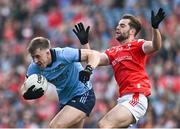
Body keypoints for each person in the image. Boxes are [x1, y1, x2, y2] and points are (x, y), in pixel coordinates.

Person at [73, 8, 166, 128]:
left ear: (132, 31)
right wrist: (85, 43)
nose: (117, 28)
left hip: (136, 96)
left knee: (104, 125)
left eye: (122, 26)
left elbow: (155, 46)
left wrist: (155, 28)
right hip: (123, 99)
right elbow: (94, 58)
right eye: (117, 25)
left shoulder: (138, 45)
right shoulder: (113, 51)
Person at [20, 36, 101, 128]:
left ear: (47, 52)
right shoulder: (34, 67)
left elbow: (93, 54)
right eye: (33, 57)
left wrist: (89, 69)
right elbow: (24, 87)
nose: (35, 60)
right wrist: (26, 94)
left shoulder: (64, 54)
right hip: (66, 101)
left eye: (38, 56)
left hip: (83, 94)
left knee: (55, 126)